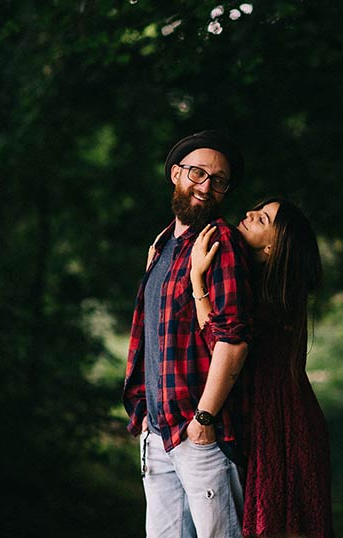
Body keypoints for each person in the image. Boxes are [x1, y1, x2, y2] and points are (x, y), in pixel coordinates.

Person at [123, 130, 255, 538]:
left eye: (218, 180)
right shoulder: (162, 246)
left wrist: (204, 419)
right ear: (176, 174)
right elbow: (149, 340)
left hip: (201, 434)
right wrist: (145, 416)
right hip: (159, 433)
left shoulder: (221, 243)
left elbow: (234, 339)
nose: (206, 186)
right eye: (198, 173)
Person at [191, 197, 334, 538]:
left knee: (284, 522)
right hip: (278, 415)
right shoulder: (265, 288)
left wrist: (198, 280)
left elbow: (220, 341)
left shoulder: (274, 299)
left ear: (274, 246)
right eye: (257, 210)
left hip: (282, 421)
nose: (250, 213)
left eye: (263, 219)